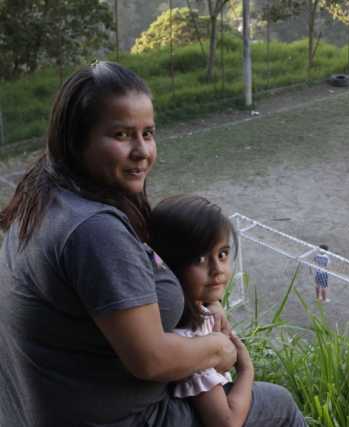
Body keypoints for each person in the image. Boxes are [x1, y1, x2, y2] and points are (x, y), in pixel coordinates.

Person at [0, 61, 297, 427]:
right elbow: (151, 359)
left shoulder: (45, 197)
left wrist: (204, 303)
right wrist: (218, 349)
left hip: (40, 409)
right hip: (122, 419)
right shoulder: (93, 229)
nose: (142, 151)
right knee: (279, 404)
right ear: (76, 140)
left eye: (149, 133)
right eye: (122, 135)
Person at [149, 195, 306, 427]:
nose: (217, 270)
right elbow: (227, 422)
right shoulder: (189, 344)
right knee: (280, 399)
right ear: (170, 264)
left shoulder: (193, 312)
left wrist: (213, 303)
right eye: (200, 259)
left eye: (222, 254)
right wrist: (246, 370)